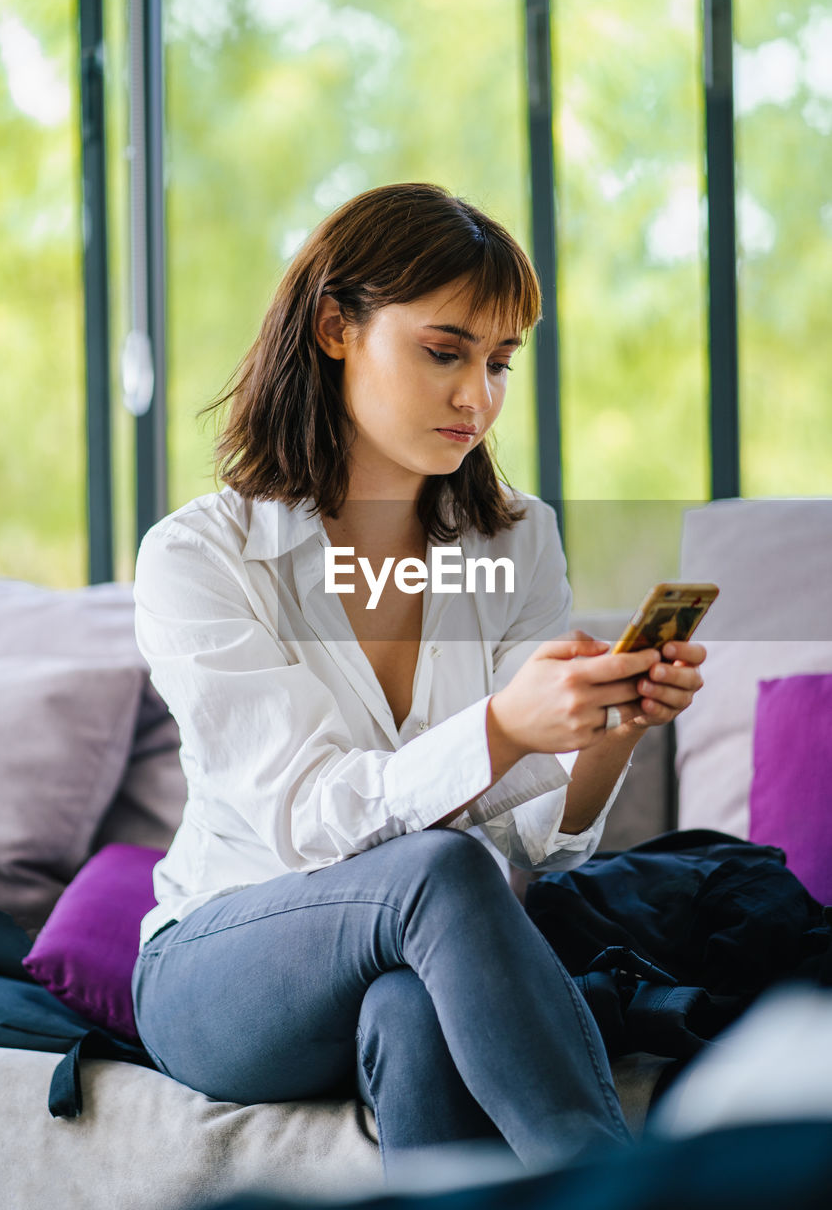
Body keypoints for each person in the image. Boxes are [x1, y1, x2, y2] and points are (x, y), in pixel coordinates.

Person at [131, 182, 705, 1175]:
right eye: (444, 351)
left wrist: (605, 725)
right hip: (220, 965)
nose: (476, 396)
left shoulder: (516, 539)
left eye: (498, 363)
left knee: (415, 999)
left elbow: (534, 841)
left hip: (409, 957)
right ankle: (626, 1194)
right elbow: (311, 817)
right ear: (334, 328)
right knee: (440, 870)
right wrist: (502, 724)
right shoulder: (199, 556)